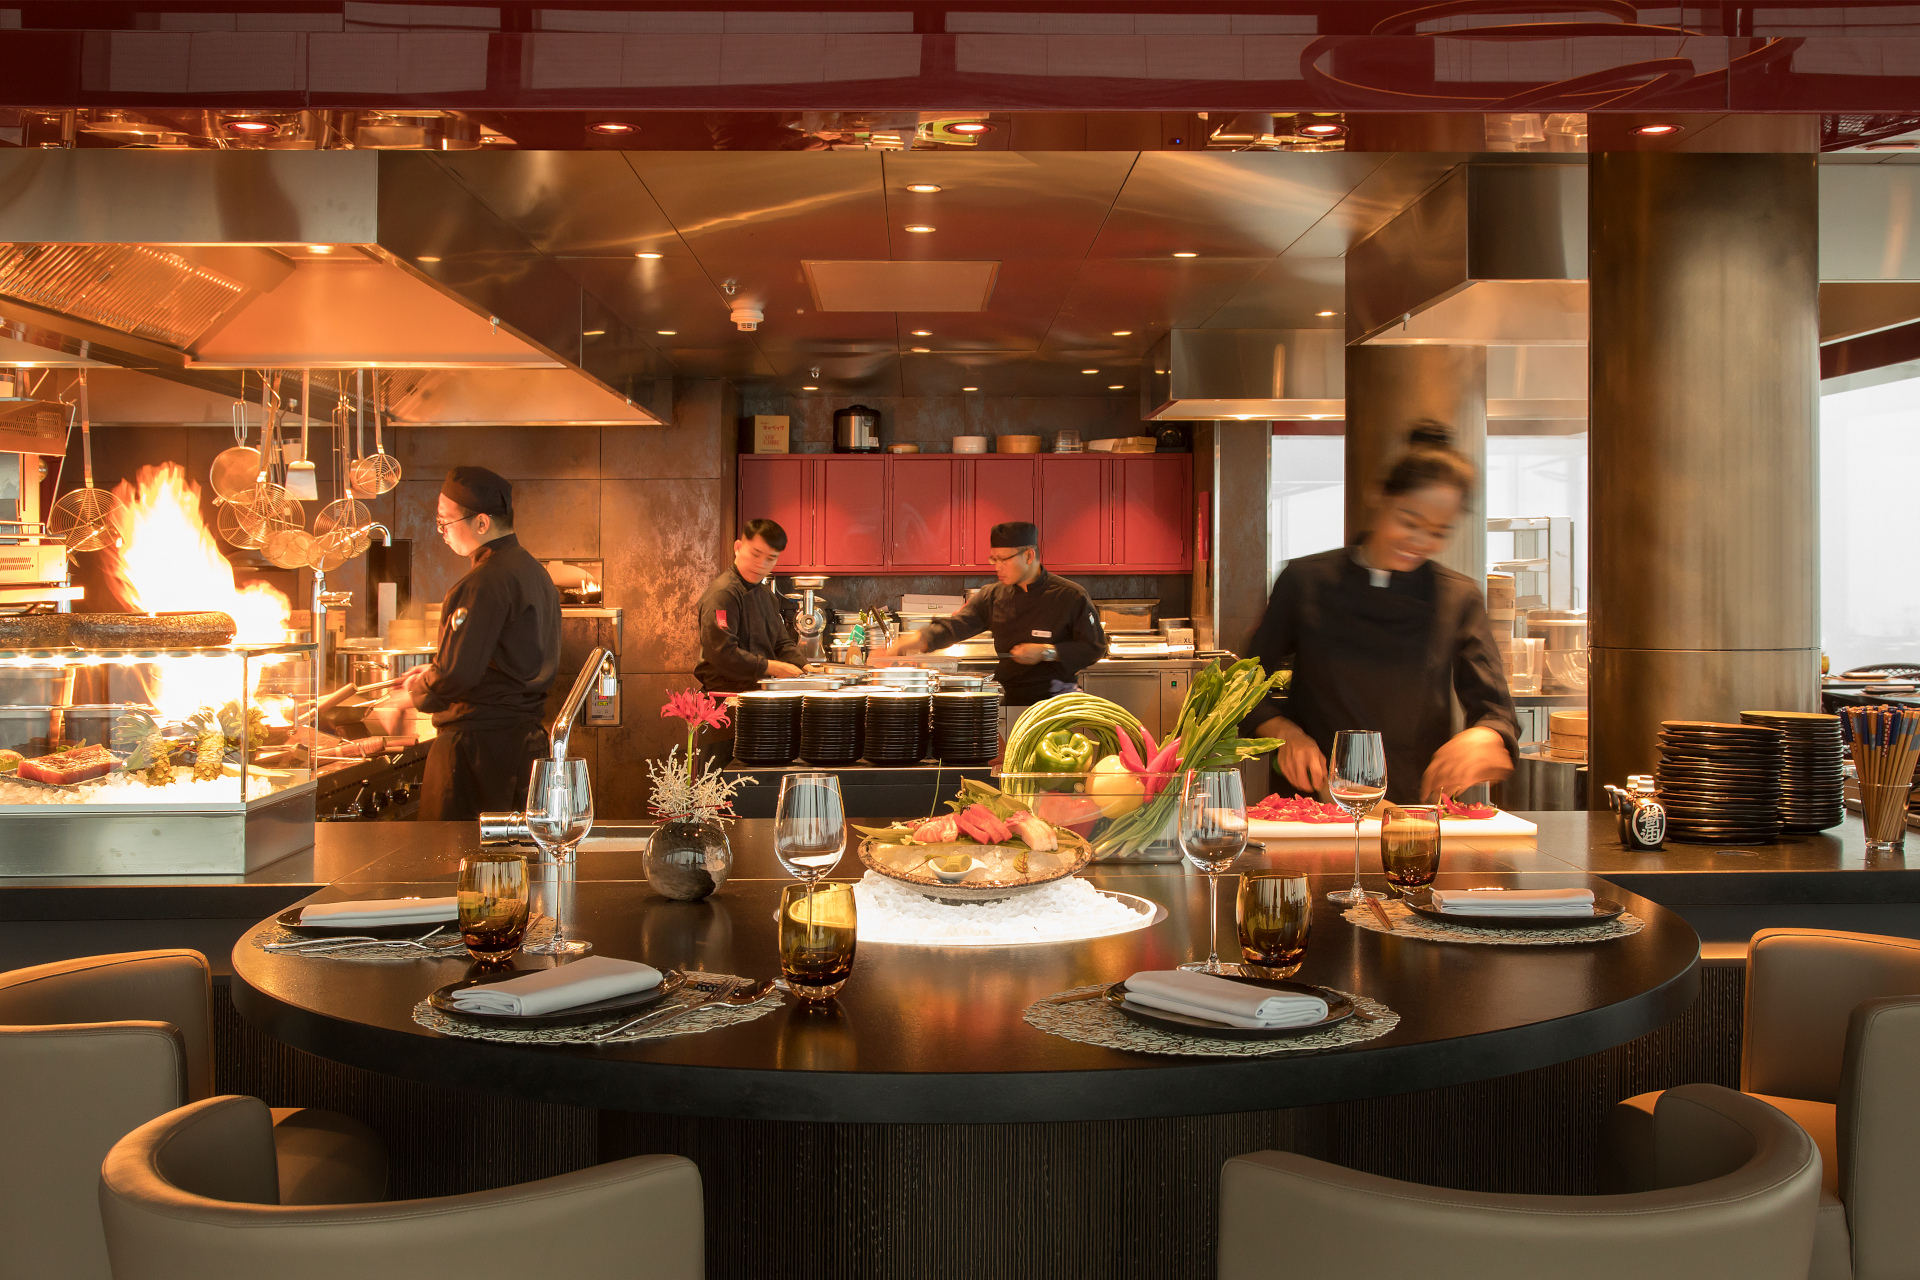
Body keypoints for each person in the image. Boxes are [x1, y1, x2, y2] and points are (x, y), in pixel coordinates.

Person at [1247, 422, 1518, 805]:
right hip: (1314, 806)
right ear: (1378, 498)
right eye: (1408, 522)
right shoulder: (1306, 581)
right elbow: (1244, 686)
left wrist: (1484, 737)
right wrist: (1285, 732)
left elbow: (1495, 710)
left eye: (1439, 532)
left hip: (1415, 811)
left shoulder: (1457, 598)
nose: (1420, 542)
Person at [387, 466, 562, 822]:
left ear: (481, 523)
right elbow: (496, 660)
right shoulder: (533, 572)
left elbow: (458, 675)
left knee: (455, 865)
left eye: (445, 522)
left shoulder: (484, 582)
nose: (442, 533)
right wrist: (435, 671)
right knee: (512, 868)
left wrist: (412, 693)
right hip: (520, 746)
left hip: (477, 754)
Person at [885, 521, 1108, 712]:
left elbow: (1095, 647)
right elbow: (957, 625)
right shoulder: (993, 596)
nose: (997, 567)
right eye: (993, 559)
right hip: (1010, 700)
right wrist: (917, 639)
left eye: (1004, 559)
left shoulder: (1070, 595)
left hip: (1056, 702)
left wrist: (1047, 652)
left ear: (1029, 556)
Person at [695, 517, 808, 694]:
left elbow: (781, 643)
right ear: (738, 547)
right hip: (725, 697)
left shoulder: (767, 595)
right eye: (755, 554)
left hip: (758, 693)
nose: (761, 564)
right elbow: (722, 653)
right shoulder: (723, 594)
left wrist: (805, 666)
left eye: (770, 558)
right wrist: (772, 667)